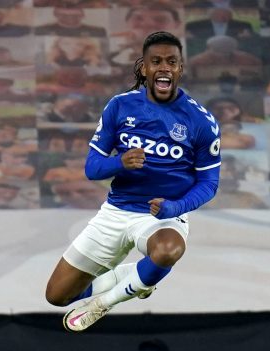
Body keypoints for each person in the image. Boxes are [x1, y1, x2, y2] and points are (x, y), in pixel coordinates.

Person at [44, 31, 221, 332]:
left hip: (161, 216)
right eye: (156, 61)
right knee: (58, 296)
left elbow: (209, 183)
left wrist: (176, 207)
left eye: (171, 62)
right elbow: (92, 168)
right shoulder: (120, 106)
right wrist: (119, 162)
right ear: (144, 68)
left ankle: (105, 302)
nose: (164, 67)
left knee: (168, 250)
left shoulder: (201, 121)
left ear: (180, 69)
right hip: (116, 212)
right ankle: (138, 277)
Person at [185, 7, 255, 39]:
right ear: (211, 13)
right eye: (219, 12)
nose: (223, 15)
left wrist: (248, 38)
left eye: (226, 12)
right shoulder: (193, 26)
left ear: (231, 14)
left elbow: (255, 39)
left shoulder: (244, 25)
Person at [35, 7, 107, 38]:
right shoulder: (41, 30)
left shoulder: (97, 31)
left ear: (82, 14)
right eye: (65, 14)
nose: (69, 15)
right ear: (55, 14)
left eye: (74, 14)